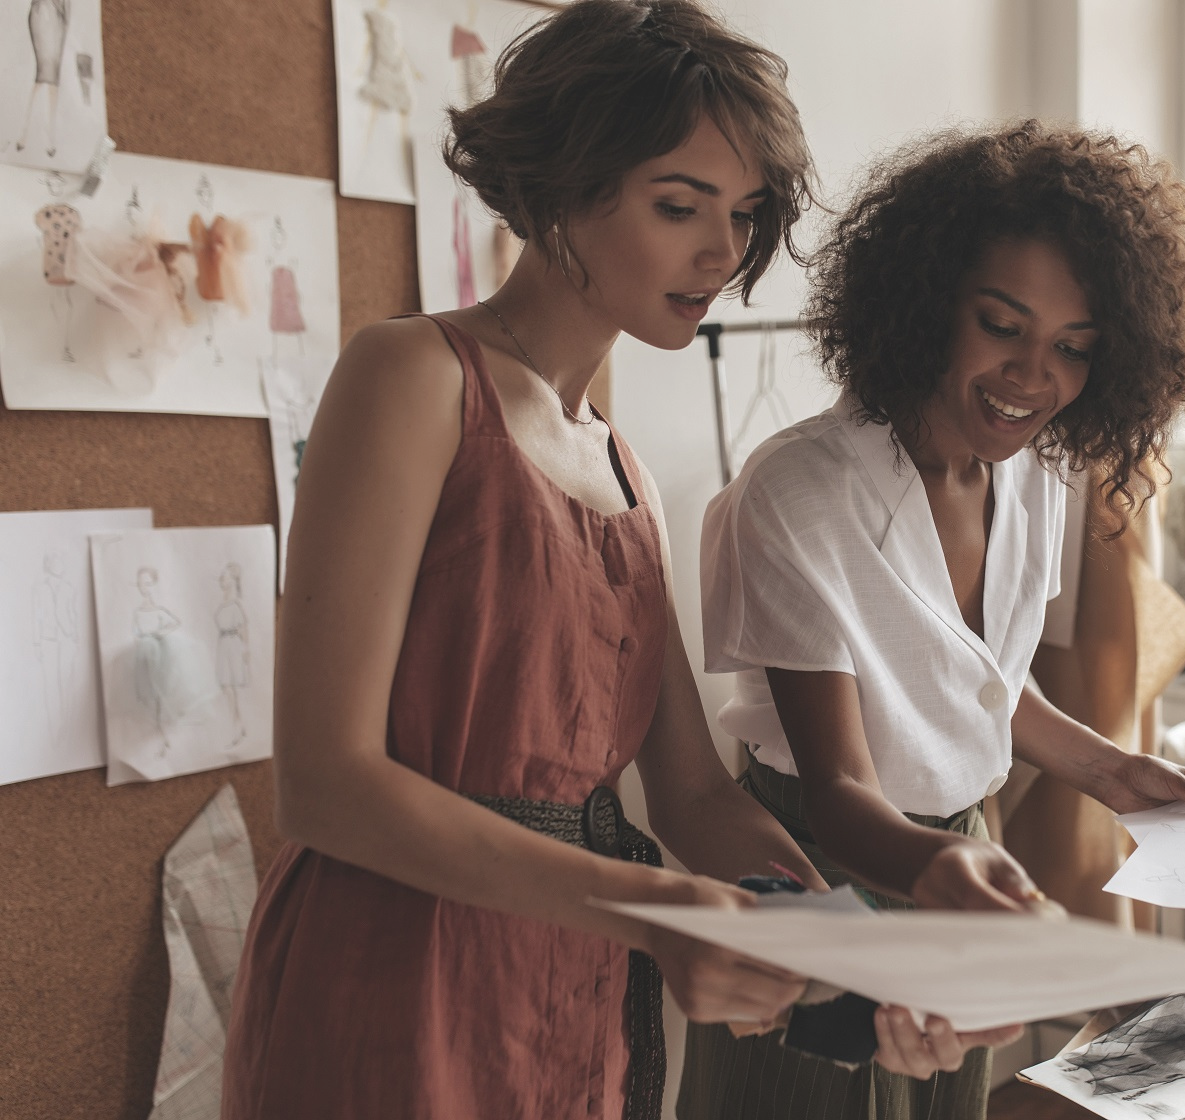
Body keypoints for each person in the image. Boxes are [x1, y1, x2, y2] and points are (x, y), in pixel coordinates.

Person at [222, 4, 832, 1117]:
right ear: (559, 187)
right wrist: (653, 911)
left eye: (743, 213)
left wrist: (846, 944)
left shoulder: (625, 465)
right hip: (395, 972)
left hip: (571, 989)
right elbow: (324, 783)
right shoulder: (413, 375)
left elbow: (691, 791)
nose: (722, 251)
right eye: (677, 204)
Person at [683, 121, 1185, 1119]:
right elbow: (844, 788)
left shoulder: (1032, 478)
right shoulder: (800, 493)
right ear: (928, 297)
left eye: (1073, 347)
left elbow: (967, 679)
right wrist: (951, 866)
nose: (1034, 376)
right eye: (1002, 324)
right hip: (822, 863)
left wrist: (1112, 771)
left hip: (966, 854)